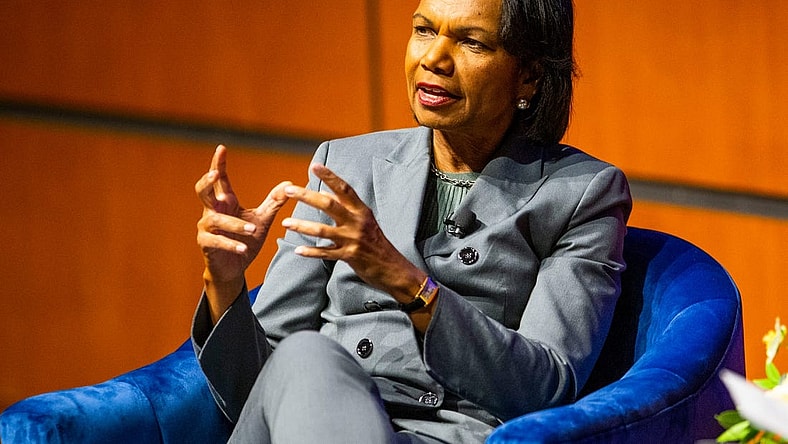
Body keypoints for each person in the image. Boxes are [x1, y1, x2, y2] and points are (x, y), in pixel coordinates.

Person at [192, 0, 632, 442]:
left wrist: (408, 284)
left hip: (440, 435)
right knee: (307, 356)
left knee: (309, 356)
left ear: (529, 75)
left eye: (471, 42)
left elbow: (547, 386)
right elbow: (258, 390)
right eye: (424, 30)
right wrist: (225, 281)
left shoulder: (581, 195)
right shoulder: (344, 166)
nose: (433, 59)